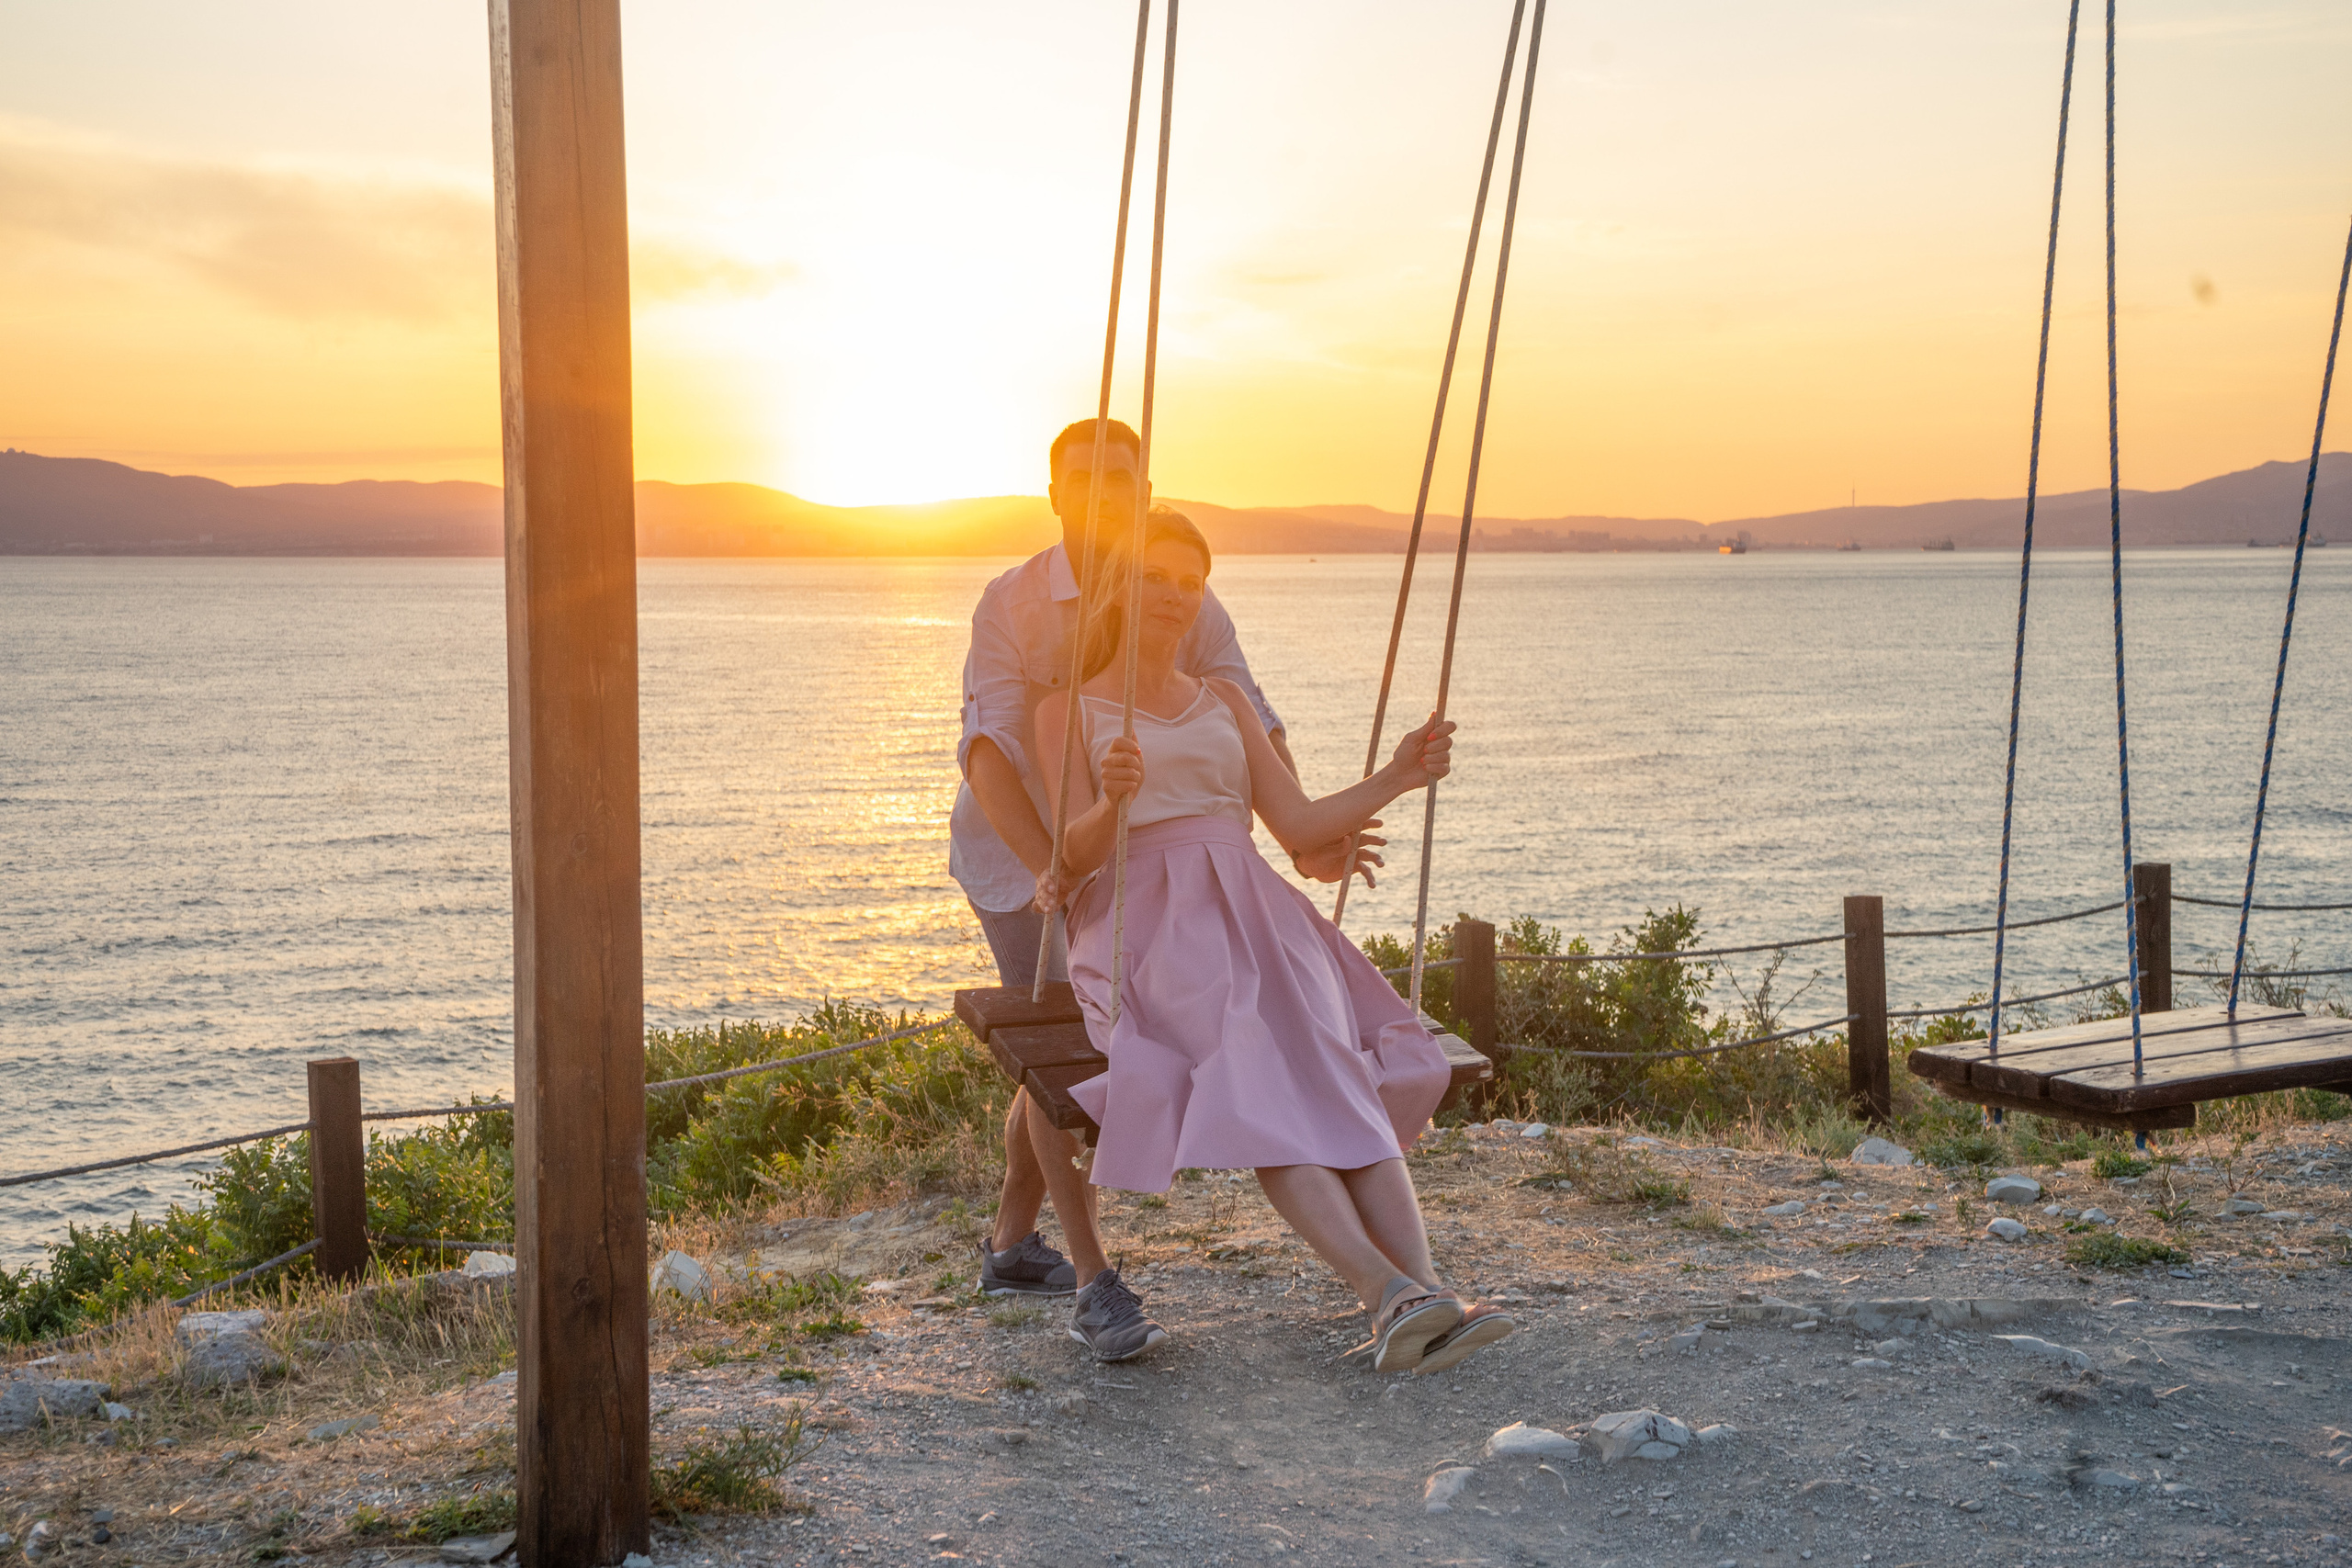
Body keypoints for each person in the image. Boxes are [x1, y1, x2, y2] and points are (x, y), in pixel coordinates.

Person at [1035, 507, 1515, 1376]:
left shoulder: (1222, 699)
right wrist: (1112, 799)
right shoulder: (1067, 708)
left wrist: (1399, 775)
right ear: (1120, 585)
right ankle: (1384, 1295)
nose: (1176, 597)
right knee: (1258, 1074)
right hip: (1144, 922)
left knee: (1337, 1072)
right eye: (1157, 578)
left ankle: (1426, 1294)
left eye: (1192, 582)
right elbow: (1070, 851)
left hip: (1255, 909)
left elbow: (1292, 821)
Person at [953, 418, 1377, 1360]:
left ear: (1144, 492)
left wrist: (1302, 840)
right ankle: (1095, 1278)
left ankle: (1014, 1244)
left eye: (1123, 479)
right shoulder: (1012, 602)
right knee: (1064, 1042)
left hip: (1160, 866)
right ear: (1056, 492)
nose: (1104, 494)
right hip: (1028, 857)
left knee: (1073, 1054)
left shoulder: (1182, 592)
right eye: (1084, 479)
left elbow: (1247, 716)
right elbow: (992, 752)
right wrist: (1055, 872)